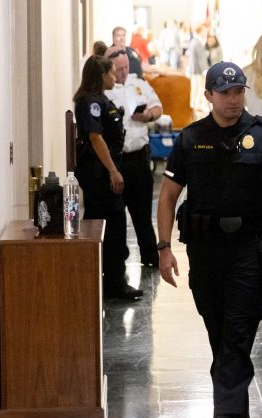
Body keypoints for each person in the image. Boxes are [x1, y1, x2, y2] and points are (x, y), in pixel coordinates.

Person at [156, 62, 262, 418]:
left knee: (236, 330)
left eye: (238, 91)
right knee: (219, 331)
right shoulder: (191, 138)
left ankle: (226, 415)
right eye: (225, 92)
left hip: (248, 248)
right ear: (209, 95)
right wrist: (164, 249)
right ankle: (237, 411)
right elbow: (167, 197)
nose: (233, 99)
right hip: (205, 250)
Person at [73, 55, 143, 300]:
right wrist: (113, 170)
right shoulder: (90, 102)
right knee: (112, 226)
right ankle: (113, 284)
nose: (116, 77)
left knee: (111, 225)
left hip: (106, 169)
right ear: (101, 75)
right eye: (112, 73)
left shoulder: (101, 99)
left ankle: (112, 280)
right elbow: (95, 138)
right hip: (99, 173)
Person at [105, 46, 163, 267]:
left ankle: (150, 256)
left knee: (143, 214)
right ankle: (118, 262)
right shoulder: (104, 90)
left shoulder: (138, 84)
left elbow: (158, 107)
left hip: (139, 158)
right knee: (116, 217)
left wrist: (147, 114)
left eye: (125, 67)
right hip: (117, 162)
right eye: (118, 69)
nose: (122, 72)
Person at [187, 24, 209, 113]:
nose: (205, 31)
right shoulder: (198, 42)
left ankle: (194, 105)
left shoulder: (194, 41)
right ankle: (198, 106)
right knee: (200, 88)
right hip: (198, 70)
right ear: (200, 31)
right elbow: (201, 58)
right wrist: (205, 70)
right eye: (204, 30)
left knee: (195, 88)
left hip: (194, 69)